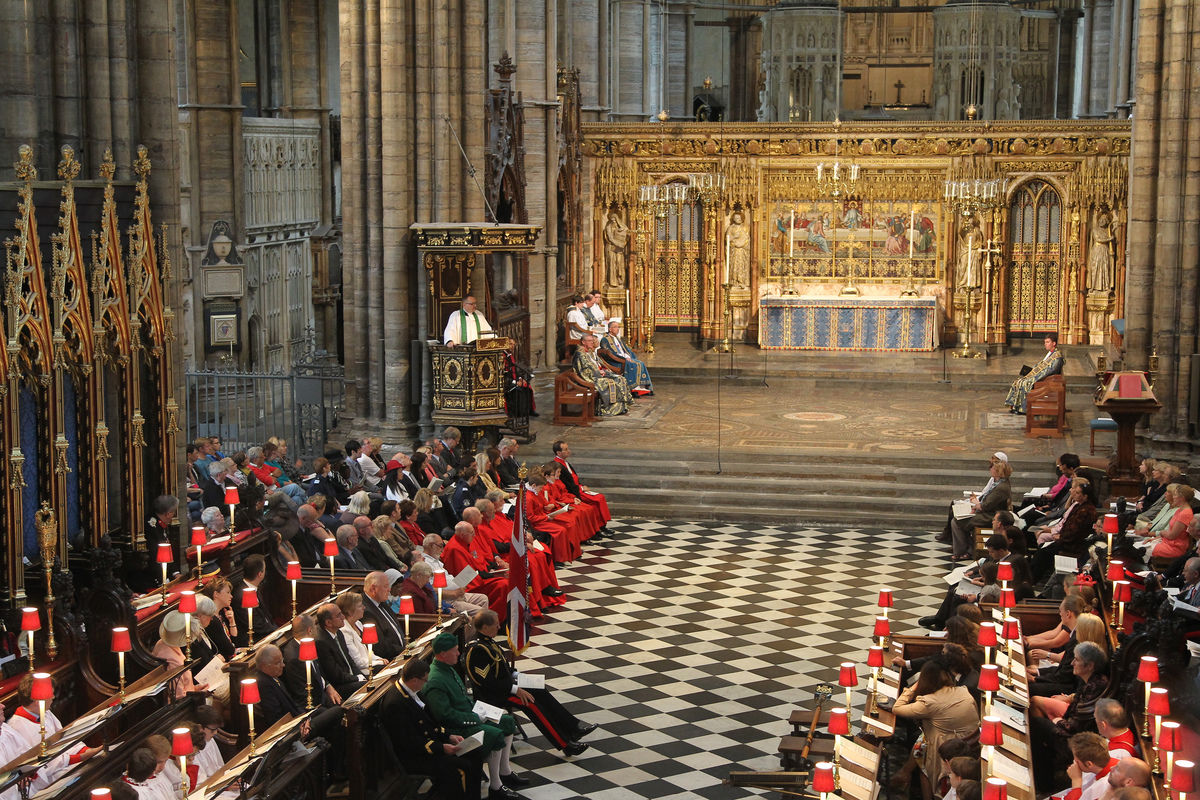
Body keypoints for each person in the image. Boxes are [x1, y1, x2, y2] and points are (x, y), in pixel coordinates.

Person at [463, 609, 596, 755]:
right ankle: (565, 744)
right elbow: (486, 682)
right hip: (494, 695)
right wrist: (515, 689)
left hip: (507, 685)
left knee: (539, 689)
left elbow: (502, 668)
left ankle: (572, 728)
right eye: (496, 625)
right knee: (531, 704)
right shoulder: (477, 649)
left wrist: (520, 676)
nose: (499, 627)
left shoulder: (487, 641)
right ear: (484, 628)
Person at [422, 632, 529, 800]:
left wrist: (482, 712)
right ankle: (496, 786)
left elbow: (463, 699)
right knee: (494, 734)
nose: (458, 654)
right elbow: (444, 715)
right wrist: (475, 718)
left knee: (507, 721)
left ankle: (505, 771)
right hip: (457, 727)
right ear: (443, 654)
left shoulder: (448, 669)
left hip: (469, 716)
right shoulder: (436, 680)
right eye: (455, 650)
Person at [380, 657, 485, 800]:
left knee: (476, 752)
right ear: (415, 680)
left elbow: (431, 723)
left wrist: (449, 736)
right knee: (462, 767)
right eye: (425, 680)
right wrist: (441, 748)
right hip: (416, 756)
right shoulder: (396, 704)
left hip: (430, 745)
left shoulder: (414, 691)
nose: (426, 683)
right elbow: (408, 742)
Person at [889, 658, 980, 798]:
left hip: (948, 748)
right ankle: (904, 773)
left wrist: (913, 687)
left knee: (923, 763)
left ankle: (907, 776)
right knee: (923, 740)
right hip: (971, 743)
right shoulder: (963, 691)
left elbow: (897, 708)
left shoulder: (930, 702)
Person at [1030, 642, 1110, 789]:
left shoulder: (1096, 686)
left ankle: (1044, 783)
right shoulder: (1087, 680)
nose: (1072, 663)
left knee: (1039, 725)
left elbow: (1078, 726)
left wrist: (1057, 721)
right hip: (1071, 727)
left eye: (1077, 660)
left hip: (1079, 742)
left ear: (1090, 665)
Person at [937, 452, 1008, 543]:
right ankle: (951, 537)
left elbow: (987, 503)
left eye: (993, 460)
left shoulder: (1000, 487)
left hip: (987, 513)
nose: (990, 462)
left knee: (957, 519)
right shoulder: (996, 480)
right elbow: (986, 493)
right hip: (981, 504)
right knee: (954, 505)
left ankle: (962, 546)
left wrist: (976, 503)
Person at [949, 460, 1012, 561]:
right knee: (957, 516)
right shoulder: (998, 483)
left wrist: (977, 506)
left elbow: (986, 505)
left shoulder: (1001, 488)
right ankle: (968, 549)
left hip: (990, 516)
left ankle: (962, 551)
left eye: (994, 468)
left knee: (956, 522)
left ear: (999, 472)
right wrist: (976, 506)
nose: (991, 469)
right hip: (987, 512)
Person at [552, 440, 612, 531]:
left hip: (578, 488)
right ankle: (597, 528)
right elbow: (567, 484)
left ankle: (601, 526)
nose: (569, 451)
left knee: (600, 497)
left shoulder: (565, 462)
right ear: (559, 453)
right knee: (596, 501)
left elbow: (574, 478)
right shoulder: (558, 465)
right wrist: (579, 489)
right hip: (574, 492)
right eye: (566, 449)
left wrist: (581, 485)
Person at [314, 602, 368, 697]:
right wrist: (356, 678)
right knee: (370, 687)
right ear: (328, 623)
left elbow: (349, 660)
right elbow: (335, 675)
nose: (343, 617)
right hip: (340, 686)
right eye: (339, 615)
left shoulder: (338, 633)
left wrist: (360, 675)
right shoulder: (321, 642)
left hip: (350, 678)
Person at [572, 333, 632, 416]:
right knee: (612, 382)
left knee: (620, 379)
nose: (592, 343)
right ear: (583, 342)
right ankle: (607, 409)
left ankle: (621, 407)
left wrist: (604, 370)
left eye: (592, 341)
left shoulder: (589, 351)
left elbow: (597, 363)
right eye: (589, 341)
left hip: (598, 374)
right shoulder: (580, 354)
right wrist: (598, 372)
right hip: (590, 378)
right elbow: (584, 370)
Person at [1133, 483, 1194, 560]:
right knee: (1136, 546)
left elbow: (1172, 535)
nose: (1173, 497)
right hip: (1166, 541)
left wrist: (1161, 532)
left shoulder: (1185, 513)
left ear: (1182, 498)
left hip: (1174, 547)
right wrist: (1154, 539)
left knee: (1139, 551)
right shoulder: (1179, 510)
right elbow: (1169, 532)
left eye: (1175, 495)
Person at [1006, 333, 1064, 413]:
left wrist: (1035, 377)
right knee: (1018, 381)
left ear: (1054, 343)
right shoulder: (1051, 353)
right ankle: (1015, 406)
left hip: (1046, 379)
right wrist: (1032, 370)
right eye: (1045, 342)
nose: (1045, 344)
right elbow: (1041, 364)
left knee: (1025, 383)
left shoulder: (1057, 357)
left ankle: (1023, 409)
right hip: (1043, 376)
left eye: (1047, 342)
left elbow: (1050, 370)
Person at [360, 570, 407, 659]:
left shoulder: (381, 601)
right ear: (373, 588)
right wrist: (405, 651)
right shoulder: (366, 611)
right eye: (386, 586)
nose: (389, 590)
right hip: (390, 658)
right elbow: (380, 645)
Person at [231, 554, 276, 647]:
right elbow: (256, 625)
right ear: (260, 574)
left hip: (263, 632)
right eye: (264, 570)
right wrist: (276, 631)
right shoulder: (242, 595)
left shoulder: (253, 587)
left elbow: (266, 617)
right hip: (252, 640)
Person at [599, 320, 653, 394]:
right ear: (610, 329)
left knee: (640, 363)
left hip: (622, 359)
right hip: (615, 361)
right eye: (615, 327)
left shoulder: (617, 338)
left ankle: (642, 387)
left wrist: (627, 356)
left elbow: (625, 349)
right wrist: (623, 358)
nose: (617, 329)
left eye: (618, 327)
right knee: (634, 364)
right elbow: (609, 353)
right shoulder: (605, 339)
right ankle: (632, 388)